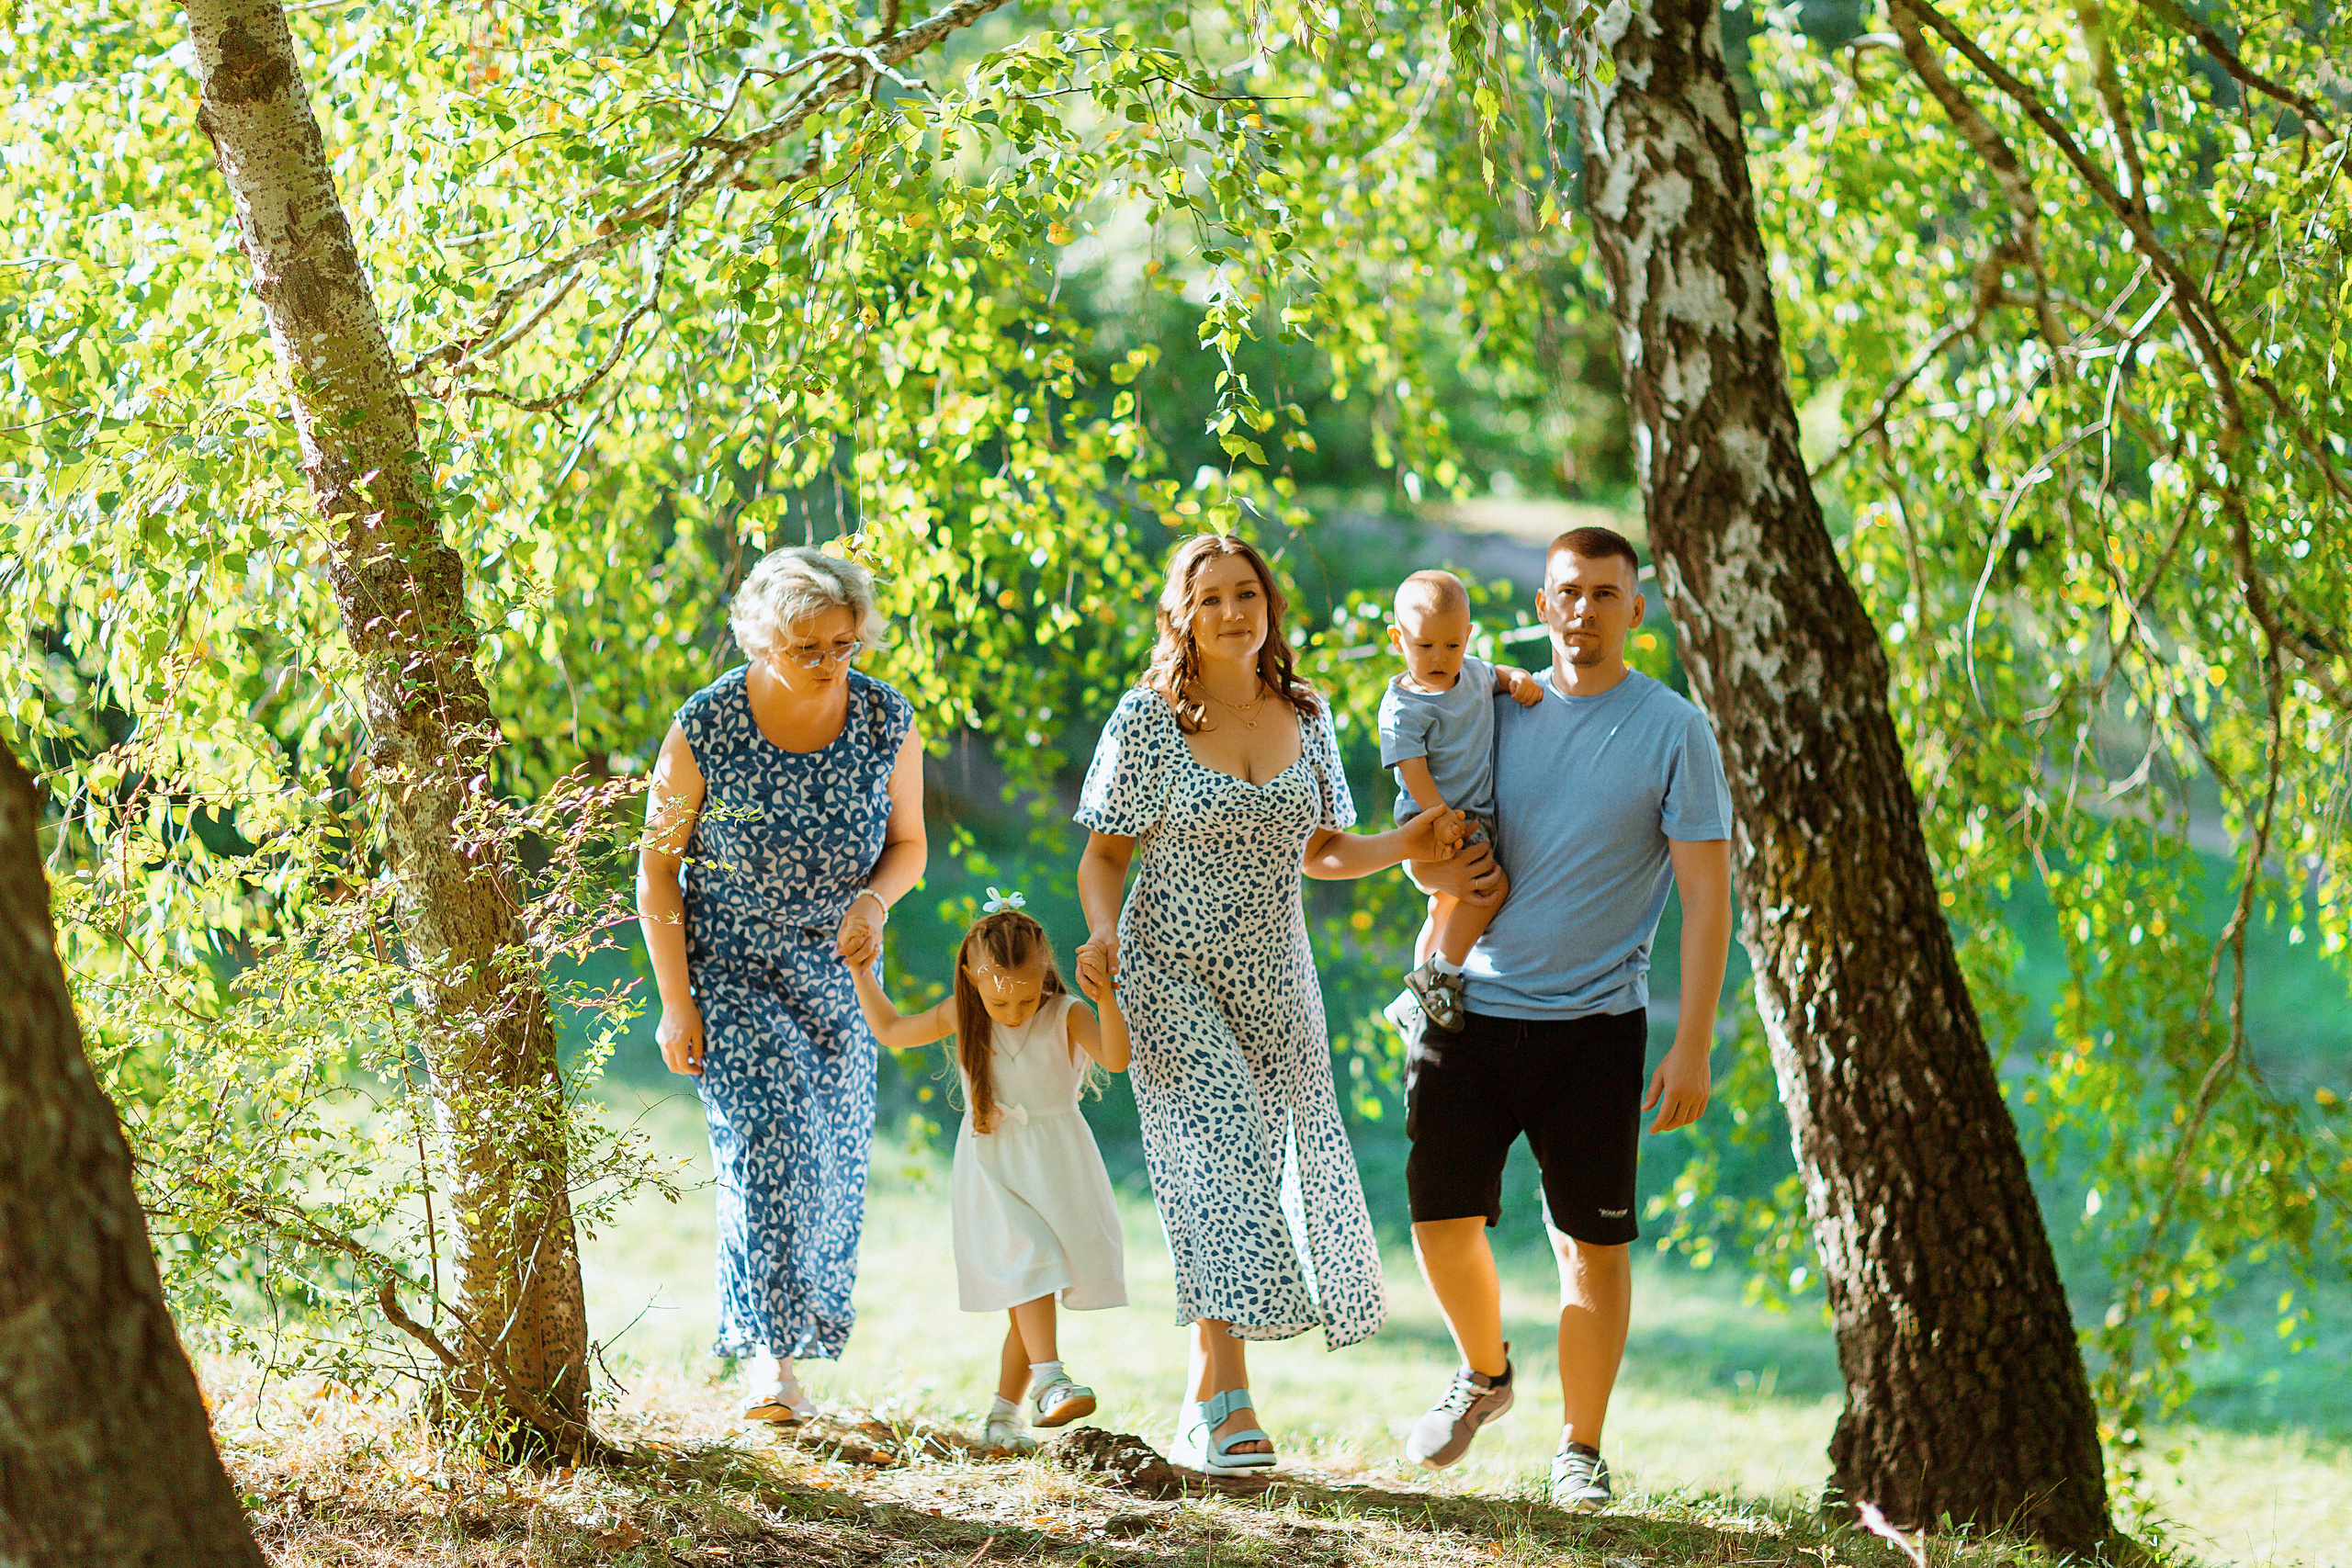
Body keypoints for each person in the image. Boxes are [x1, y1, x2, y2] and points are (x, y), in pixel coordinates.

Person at [1072, 534, 1466, 1477]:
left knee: (1249, 1169)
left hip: (1276, 977)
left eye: (1245, 593)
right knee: (1221, 1158)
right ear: (1182, 616)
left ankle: (1204, 1401)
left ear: (1268, 608)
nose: (1231, 611)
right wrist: (1102, 935)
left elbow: (1322, 850)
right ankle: (1225, 1397)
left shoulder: (1308, 713)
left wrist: (1408, 843)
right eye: (1209, 599)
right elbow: (1103, 856)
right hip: (1166, 969)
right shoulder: (1147, 718)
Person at [1396, 526, 1734, 1512]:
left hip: (1594, 1026)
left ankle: (1578, 1451)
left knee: (1591, 1248)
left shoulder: (1675, 730)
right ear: (1540, 606)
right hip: (1464, 1006)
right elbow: (1425, 818)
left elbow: (1706, 898)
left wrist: (1693, 1040)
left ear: (1637, 611)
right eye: (1565, 592)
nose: (1581, 609)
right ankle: (1483, 1373)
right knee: (1437, 1217)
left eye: (1602, 593)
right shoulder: (1486, 702)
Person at [636, 546, 927, 1423]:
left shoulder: (885, 719)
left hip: (839, 970)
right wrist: (675, 1001)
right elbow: (656, 870)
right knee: (769, 1138)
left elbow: (908, 845)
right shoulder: (708, 722)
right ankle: (771, 1366)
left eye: (843, 643)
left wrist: (875, 899)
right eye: (807, 647)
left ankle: (795, 1342)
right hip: (730, 968)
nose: (830, 662)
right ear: (761, 640)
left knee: (833, 1162)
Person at [848, 894, 1131, 1452]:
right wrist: (862, 970)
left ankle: (1003, 1420)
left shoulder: (1066, 1013)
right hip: (992, 1163)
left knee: (1034, 1288)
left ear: (1044, 974)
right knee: (1033, 1262)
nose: (1012, 1011)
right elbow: (891, 1029)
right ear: (970, 978)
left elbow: (1117, 1059)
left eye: (1024, 998)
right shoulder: (963, 1011)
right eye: (998, 1000)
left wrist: (1108, 999)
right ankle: (1050, 1381)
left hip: (1058, 1163)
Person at [1377, 569, 1544, 1030]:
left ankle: (1411, 999)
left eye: (1452, 645)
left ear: (1468, 636)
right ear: (1398, 639)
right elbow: (1412, 768)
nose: (1439, 657)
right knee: (1489, 889)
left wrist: (1518, 679)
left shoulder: (1470, 674)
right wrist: (1440, 816)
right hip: (1432, 825)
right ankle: (1441, 976)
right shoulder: (1403, 707)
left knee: (1444, 906)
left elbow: (1495, 674)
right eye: (1424, 646)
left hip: (1469, 819)